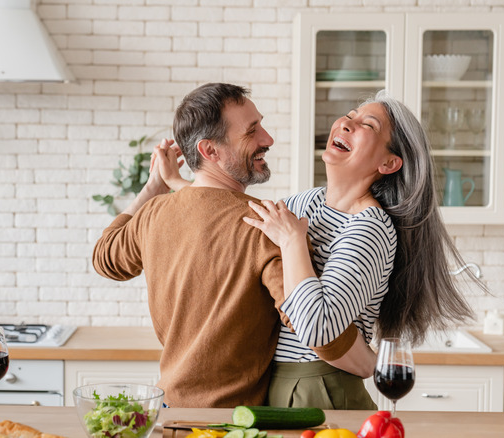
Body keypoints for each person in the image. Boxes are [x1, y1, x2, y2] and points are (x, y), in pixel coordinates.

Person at [92, 83, 363, 408]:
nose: (268, 139)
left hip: (168, 413)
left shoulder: (154, 213)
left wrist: (153, 188)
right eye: (252, 132)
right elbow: (319, 332)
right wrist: (376, 364)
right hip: (229, 424)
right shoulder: (263, 226)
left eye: (260, 124)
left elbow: (104, 258)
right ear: (210, 151)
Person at [242, 90, 478, 408]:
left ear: (389, 162)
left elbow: (318, 329)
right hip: (273, 383)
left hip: (321, 389)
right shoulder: (302, 202)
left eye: (367, 124)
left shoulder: (370, 229)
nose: (346, 123)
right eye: (350, 115)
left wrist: (293, 241)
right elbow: (243, 239)